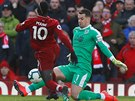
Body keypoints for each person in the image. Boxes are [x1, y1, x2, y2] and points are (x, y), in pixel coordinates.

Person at [13, 8, 127, 101]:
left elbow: (102, 46)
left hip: (83, 69)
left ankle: (103, 96)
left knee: (75, 96)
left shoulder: (94, 32)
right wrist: (71, 54)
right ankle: (26, 89)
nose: (79, 21)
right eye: (78, 18)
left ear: (88, 19)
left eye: (82, 19)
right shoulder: (76, 30)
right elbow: (76, 45)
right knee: (49, 74)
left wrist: (114, 60)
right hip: (71, 66)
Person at [13, 1, 77, 100]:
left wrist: (26, 24)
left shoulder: (32, 20)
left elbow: (17, 28)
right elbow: (63, 37)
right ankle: (53, 93)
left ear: (37, 11)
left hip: (44, 53)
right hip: (55, 50)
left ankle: (60, 88)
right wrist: (72, 51)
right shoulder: (53, 22)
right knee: (51, 72)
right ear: (48, 11)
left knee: (46, 79)